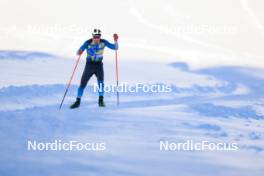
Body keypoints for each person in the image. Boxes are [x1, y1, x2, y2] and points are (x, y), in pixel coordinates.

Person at [70, 29, 119, 108]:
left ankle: (101, 100)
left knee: (101, 83)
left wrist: (116, 41)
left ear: (100, 36)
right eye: (95, 36)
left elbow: (115, 48)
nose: (96, 38)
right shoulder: (88, 43)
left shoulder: (103, 42)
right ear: (92, 36)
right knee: (82, 84)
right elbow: (78, 51)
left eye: (98, 36)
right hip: (89, 65)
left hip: (99, 65)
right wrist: (79, 51)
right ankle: (77, 101)